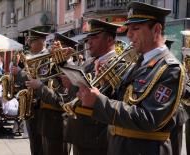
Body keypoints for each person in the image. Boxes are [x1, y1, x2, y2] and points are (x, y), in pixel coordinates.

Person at [75, 2, 186, 155]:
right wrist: (105, 84)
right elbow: (123, 101)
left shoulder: (170, 69)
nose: (128, 34)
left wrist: (99, 101)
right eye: (129, 29)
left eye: (135, 28)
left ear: (156, 30)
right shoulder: (138, 63)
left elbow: (150, 118)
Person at [52, 19, 120, 155]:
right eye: (89, 38)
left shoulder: (119, 64)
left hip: (97, 138)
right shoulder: (89, 63)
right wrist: (63, 63)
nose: (89, 41)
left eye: (95, 37)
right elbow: (72, 90)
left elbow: (113, 101)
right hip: (80, 134)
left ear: (110, 40)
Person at [24, 33, 79, 155]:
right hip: (46, 123)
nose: (53, 48)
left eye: (57, 46)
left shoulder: (71, 69)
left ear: (67, 49)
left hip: (58, 125)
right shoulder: (51, 66)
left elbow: (62, 101)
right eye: (53, 45)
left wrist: (39, 87)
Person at [12, 26, 51, 155]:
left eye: (31, 41)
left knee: (41, 145)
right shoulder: (30, 57)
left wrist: (20, 73)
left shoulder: (47, 58)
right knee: (34, 144)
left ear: (41, 41)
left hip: (42, 107)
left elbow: (40, 79)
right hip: (31, 105)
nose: (28, 43)